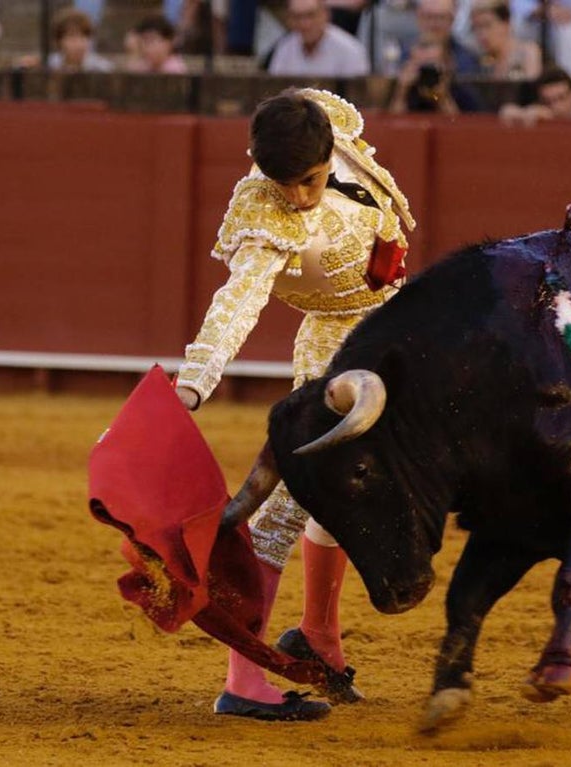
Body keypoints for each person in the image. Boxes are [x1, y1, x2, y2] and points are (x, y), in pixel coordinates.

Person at [175, 88, 415, 721]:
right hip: (336, 358)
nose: (302, 198)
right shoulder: (266, 215)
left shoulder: (324, 119)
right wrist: (194, 381)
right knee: (284, 505)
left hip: (396, 335)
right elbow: (238, 300)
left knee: (343, 495)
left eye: (310, 181)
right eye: (288, 186)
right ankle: (243, 682)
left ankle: (318, 637)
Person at [388, 0, 483, 113]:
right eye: (429, 17)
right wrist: (402, 90)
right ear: (419, 17)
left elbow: (465, 124)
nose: (434, 24)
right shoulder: (402, 57)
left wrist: (443, 96)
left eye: (441, 18)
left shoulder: (467, 61)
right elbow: (393, 122)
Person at [267, 0, 369, 76]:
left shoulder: (351, 50)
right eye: (297, 17)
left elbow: (357, 96)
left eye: (310, 15)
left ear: (325, 15)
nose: (304, 24)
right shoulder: (284, 48)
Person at [499, 65, 571, 124]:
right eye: (548, 101)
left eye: (561, 98)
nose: (556, 106)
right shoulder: (538, 120)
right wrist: (522, 114)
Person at [470, 0, 541, 79]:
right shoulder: (483, 62)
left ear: (506, 23)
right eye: (476, 27)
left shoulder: (527, 52)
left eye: (487, 25)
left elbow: (531, 88)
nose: (482, 34)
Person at [46, 7, 112, 72]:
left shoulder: (102, 69)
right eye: (72, 37)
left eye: (84, 37)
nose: (79, 44)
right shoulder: (50, 66)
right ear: (59, 41)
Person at [124, 14, 188, 73]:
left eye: (152, 40)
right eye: (144, 42)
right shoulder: (144, 65)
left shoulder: (174, 69)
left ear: (168, 42)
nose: (148, 47)